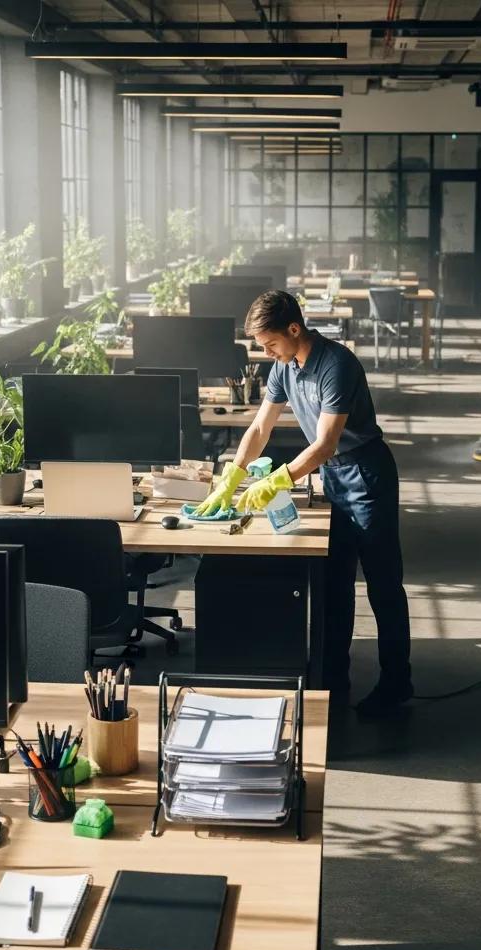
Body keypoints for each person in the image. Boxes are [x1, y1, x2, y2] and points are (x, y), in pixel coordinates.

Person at [194, 290, 412, 717]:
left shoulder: (337, 365)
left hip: (366, 474)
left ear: (295, 329)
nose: (266, 352)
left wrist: (279, 479)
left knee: (384, 585)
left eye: (270, 343)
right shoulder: (284, 367)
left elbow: (326, 442)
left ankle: (396, 682)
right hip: (332, 477)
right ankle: (332, 682)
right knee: (334, 584)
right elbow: (260, 428)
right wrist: (232, 477)